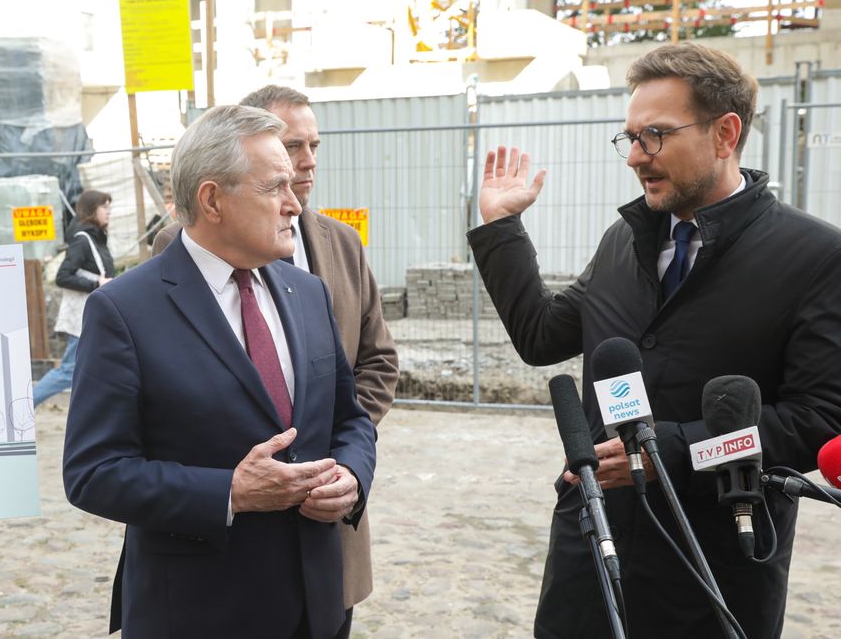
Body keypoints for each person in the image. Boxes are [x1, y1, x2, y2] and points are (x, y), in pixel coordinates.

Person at [468, 43, 841, 638]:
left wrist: (676, 450)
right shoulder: (625, 238)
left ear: (725, 134)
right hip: (594, 542)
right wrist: (501, 227)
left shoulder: (816, 257)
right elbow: (541, 336)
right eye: (631, 137)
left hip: (716, 565)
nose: (636, 157)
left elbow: (818, 419)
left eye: (657, 136)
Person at [63, 104, 376, 639]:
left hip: (318, 603)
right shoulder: (124, 309)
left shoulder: (307, 292)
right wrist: (228, 491)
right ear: (212, 199)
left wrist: (350, 476)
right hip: (199, 610)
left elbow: (350, 419)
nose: (294, 205)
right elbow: (93, 471)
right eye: (274, 187)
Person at [153, 84, 399, 627]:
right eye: (289, 150)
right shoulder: (169, 265)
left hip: (325, 535)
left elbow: (374, 365)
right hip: (214, 570)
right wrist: (231, 488)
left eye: (314, 146)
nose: (307, 164)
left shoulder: (336, 249)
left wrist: (336, 454)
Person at [32, 190, 114, 407]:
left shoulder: (96, 238)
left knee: (101, 368)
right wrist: (96, 284)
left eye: (109, 207)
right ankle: (23, 406)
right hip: (83, 317)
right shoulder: (83, 239)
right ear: (91, 210)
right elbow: (62, 277)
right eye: (104, 207)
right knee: (68, 371)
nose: (109, 212)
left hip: (94, 315)